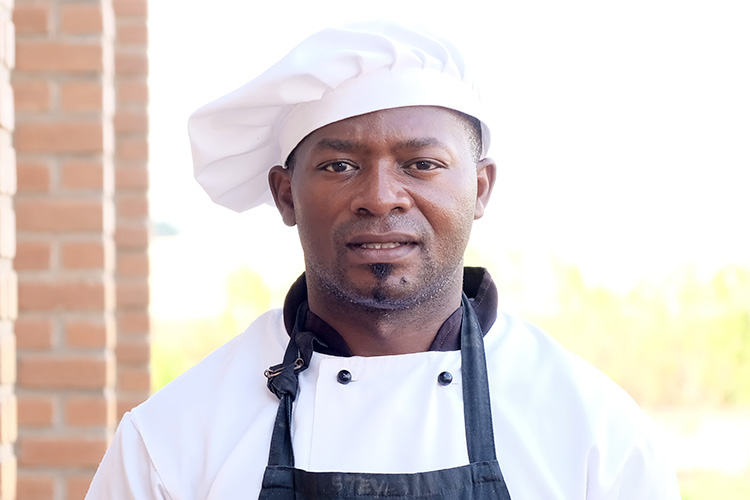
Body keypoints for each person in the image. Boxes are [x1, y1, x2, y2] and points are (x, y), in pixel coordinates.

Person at [86, 20, 681, 499]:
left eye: (421, 164)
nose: (380, 197)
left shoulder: (597, 435)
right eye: (340, 166)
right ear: (285, 193)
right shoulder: (170, 442)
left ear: (480, 188)